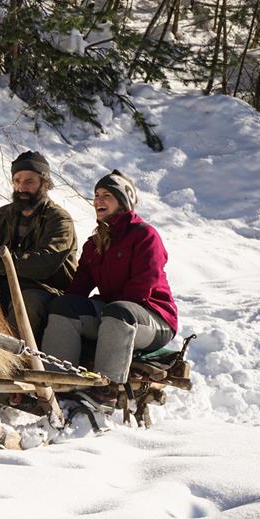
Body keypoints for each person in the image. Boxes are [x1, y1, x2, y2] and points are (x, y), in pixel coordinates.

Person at [41, 170, 178, 398]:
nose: (98, 200)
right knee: (65, 307)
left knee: (118, 311)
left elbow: (144, 284)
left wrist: (105, 309)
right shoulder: (94, 244)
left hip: (154, 319)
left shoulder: (145, 235)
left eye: (107, 195)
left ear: (123, 202)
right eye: (96, 195)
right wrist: (60, 302)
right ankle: (59, 386)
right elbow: (79, 287)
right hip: (113, 315)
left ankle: (106, 391)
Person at [0, 150, 78, 342]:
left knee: (27, 301)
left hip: (46, 290)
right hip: (2, 285)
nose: (21, 187)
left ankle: (7, 361)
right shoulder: (1, 216)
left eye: (29, 181)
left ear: (45, 183)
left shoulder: (59, 219)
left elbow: (44, 263)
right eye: (17, 181)